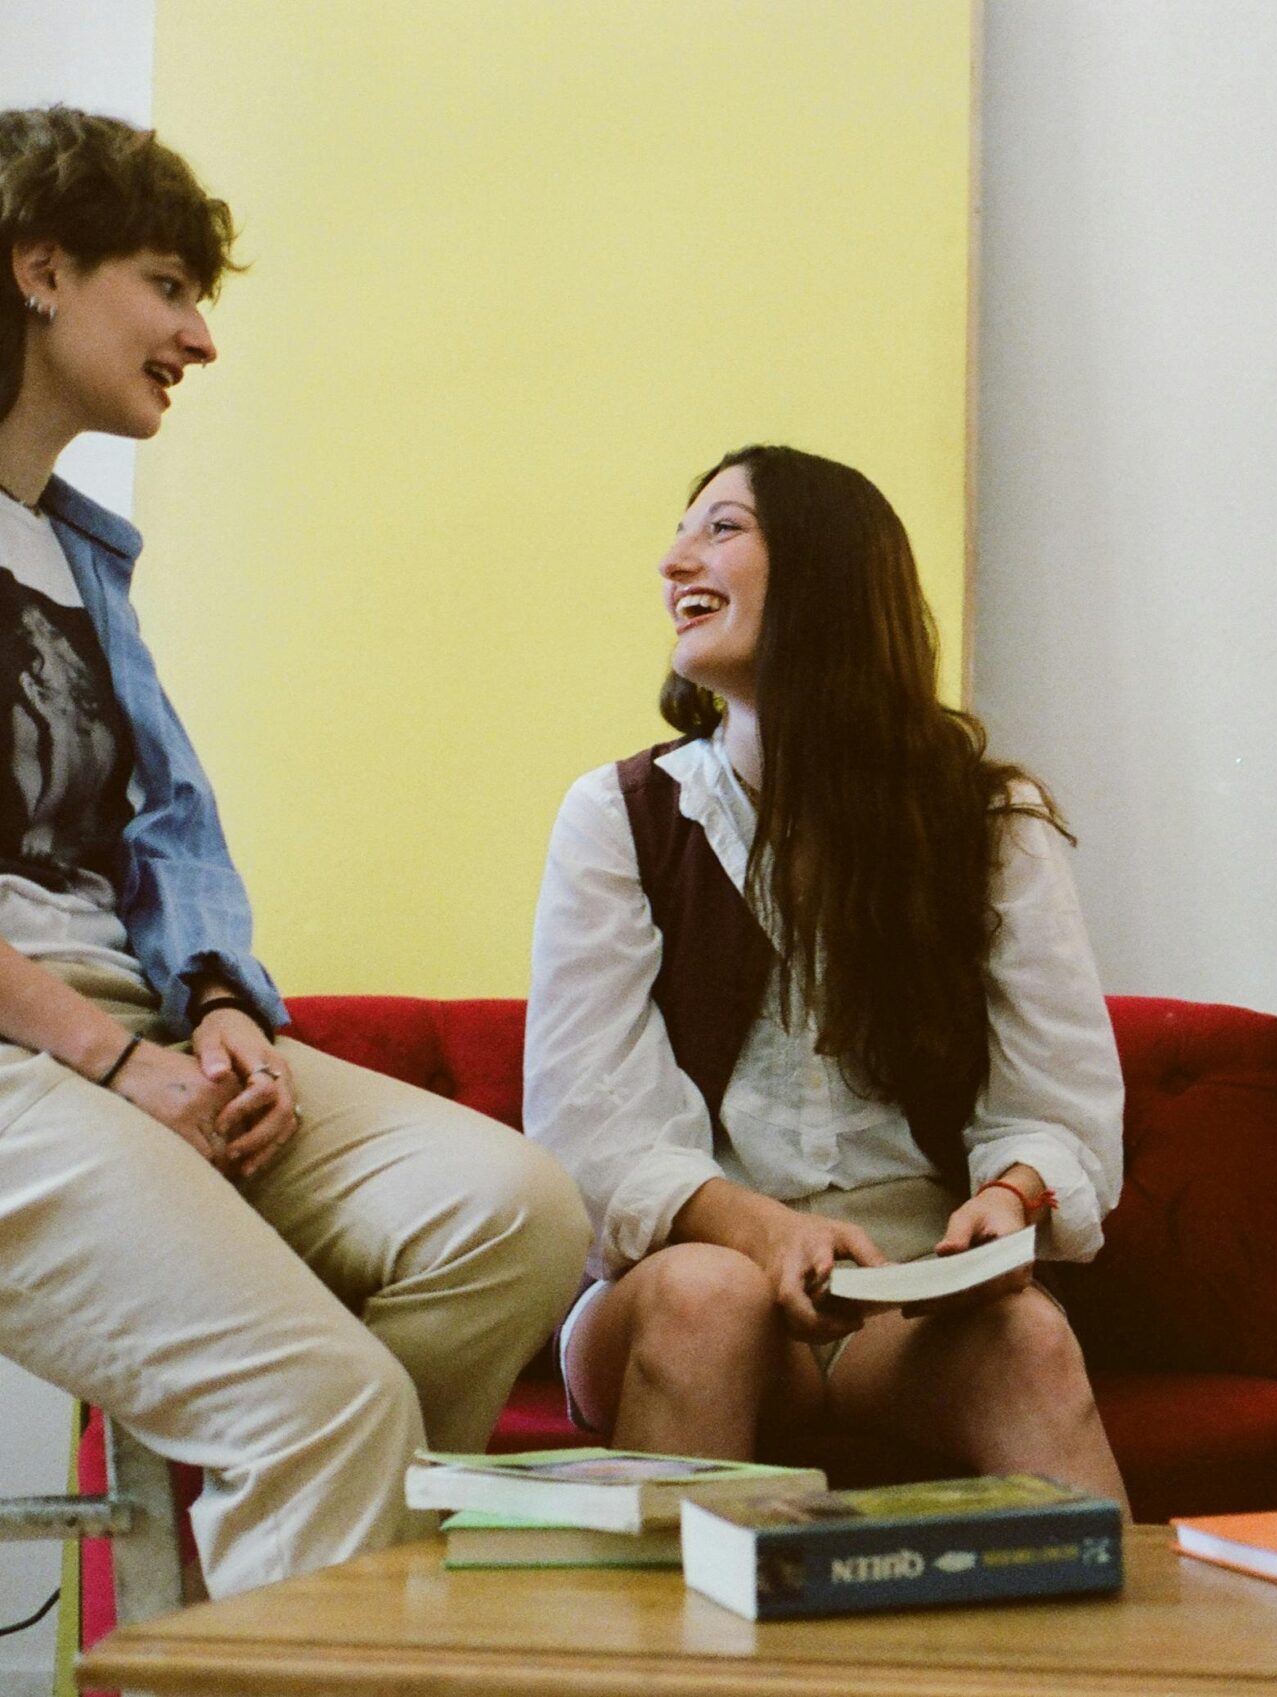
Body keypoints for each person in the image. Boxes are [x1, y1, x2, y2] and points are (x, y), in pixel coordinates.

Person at [0, 105, 588, 1596]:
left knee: (514, 1215)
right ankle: (311, 1503)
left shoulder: (79, 557)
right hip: (31, 1052)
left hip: (127, 1026)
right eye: (170, 285)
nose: (199, 338)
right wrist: (118, 1065)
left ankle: (289, 1583)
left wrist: (209, 1011)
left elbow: (167, 834)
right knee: (324, 1406)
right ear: (42, 267)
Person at [526, 445, 1127, 1507]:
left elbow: (1059, 1104)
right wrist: (766, 1234)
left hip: (909, 1296)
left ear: (829, 571)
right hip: (690, 1273)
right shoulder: (618, 815)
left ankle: (1134, 1674)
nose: (675, 559)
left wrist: (1010, 1196)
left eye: (721, 527)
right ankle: (669, 1676)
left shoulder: (991, 820)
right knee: (708, 1300)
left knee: (1029, 1336)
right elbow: (594, 1135)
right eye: (681, 529)